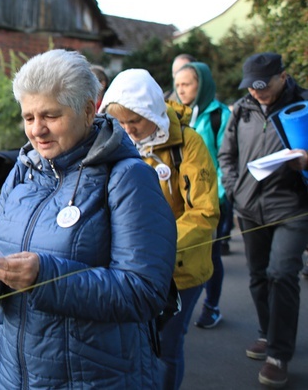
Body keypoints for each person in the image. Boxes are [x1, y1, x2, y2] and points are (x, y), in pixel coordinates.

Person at [0, 50, 177, 388]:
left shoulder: (127, 177)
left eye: (50, 115)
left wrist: (45, 275)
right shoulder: (24, 170)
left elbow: (144, 292)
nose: (36, 130)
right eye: (28, 117)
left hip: (92, 378)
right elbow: (0, 257)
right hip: (12, 376)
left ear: (88, 110)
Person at [99, 68, 219, 390]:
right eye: (120, 123)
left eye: (134, 121)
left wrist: (159, 246)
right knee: (134, 343)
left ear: (151, 110)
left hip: (180, 269)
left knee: (166, 345)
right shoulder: (117, 141)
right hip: (133, 267)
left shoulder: (188, 145)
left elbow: (204, 211)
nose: (127, 130)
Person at [218, 52, 308, 388]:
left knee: (282, 273)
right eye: (251, 87)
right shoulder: (241, 108)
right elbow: (226, 155)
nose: (257, 92)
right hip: (249, 207)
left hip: (293, 207)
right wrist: (233, 189)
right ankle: (268, 333)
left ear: (282, 76)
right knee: (258, 276)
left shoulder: (304, 104)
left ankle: (278, 354)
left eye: (263, 86)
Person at [173, 62, 233, 328]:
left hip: (212, 198)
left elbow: (225, 158)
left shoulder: (220, 115)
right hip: (181, 198)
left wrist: (217, 195)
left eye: (186, 84)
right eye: (178, 85)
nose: (181, 90)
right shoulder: (174, 113)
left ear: (202, 84)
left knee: (211, 254)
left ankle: (212, 305)